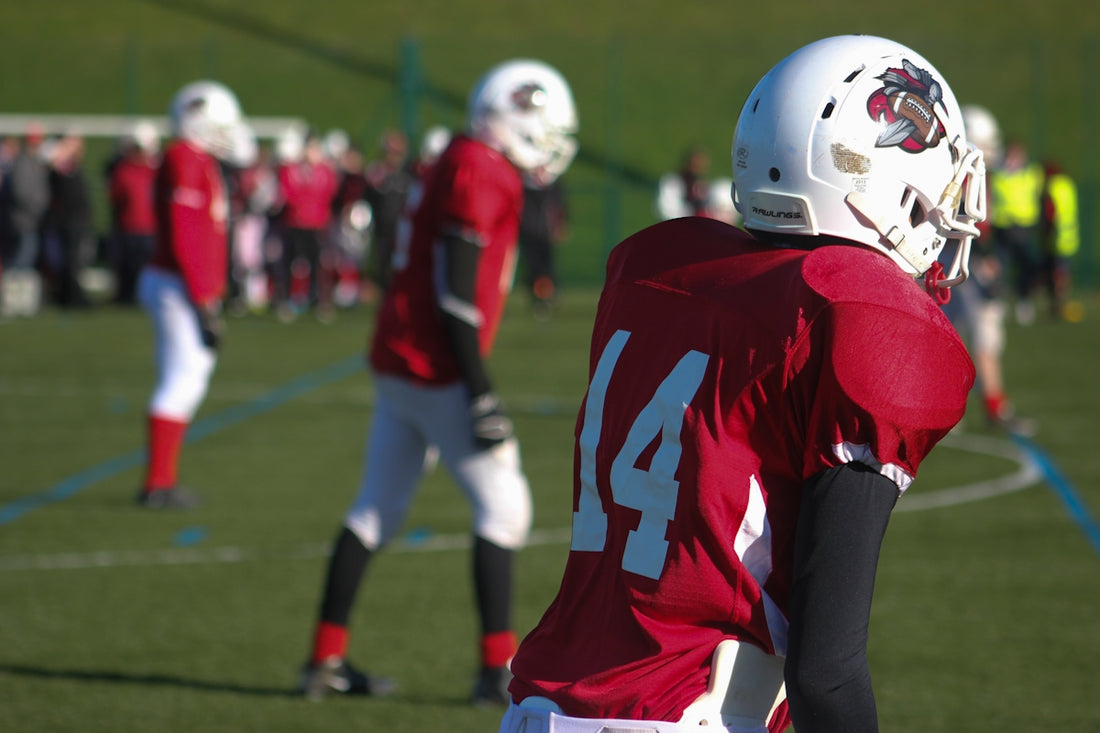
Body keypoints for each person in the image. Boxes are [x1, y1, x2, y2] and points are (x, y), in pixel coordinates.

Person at [499, 35, 985, 733]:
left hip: (537, 706)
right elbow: (827, 669)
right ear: (884, 181)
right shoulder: (857, 314)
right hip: (684, 713)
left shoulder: (661, 267)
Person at [298, 58, 579, 705]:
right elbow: (457, 295)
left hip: (402, 356)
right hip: (435, 364)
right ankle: (493, 670)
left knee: (376, 508)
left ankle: (324, 659)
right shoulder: (482, 168)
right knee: (506, 509)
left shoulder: (460, 153)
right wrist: (479, 389)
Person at [134, 80, 251, 509]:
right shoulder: (184, 158)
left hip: (181, 283)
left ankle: (161, 480)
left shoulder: (195, 159)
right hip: (176, 284)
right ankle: (158, 482)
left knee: (189, 376)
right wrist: (203, 301)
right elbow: (185, 235)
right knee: (182, 379)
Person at [944, 105, 1036, 435]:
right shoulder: (965, 179)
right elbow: (975, 226)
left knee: (962, 335)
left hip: (955, 263)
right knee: (981, 336)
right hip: (966, 264)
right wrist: (987, 259)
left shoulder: (964, 176)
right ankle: (989, 408)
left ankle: (958, 408)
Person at [274, 129, 339, 322]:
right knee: (290, 261)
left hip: (317, 223)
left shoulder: (325, 171)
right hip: (295, 221)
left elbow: (328, 192)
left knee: (318, 263)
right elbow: (288, 192)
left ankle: (319, 300)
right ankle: (286, 299)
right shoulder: (291, 170)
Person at [989, 139, 1045, 325]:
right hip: (1003, 225)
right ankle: (999, 302)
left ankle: (1024, 301)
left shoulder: (1031, 174)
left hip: (1023, 226)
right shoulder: (999, 174)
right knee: (1001, 266)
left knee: (1026, 266)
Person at [107, 121, 160, 306]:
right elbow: (115, 196)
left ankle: (142, 296)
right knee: (126, 265)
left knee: (146, 267)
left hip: (149, 227)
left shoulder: (154, 170)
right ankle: (125, 296)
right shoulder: (123, 170)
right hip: (128, 226)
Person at [0, 123, 50, 317]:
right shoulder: (23, 163)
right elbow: (22, 193)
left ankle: (18, 302)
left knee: (24, 263)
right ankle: (9, 302)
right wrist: (37, 206)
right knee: (18, 263)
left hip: (29, 221)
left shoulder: (33, 161)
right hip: (22, 221)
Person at [362, 129, 414, 292]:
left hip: (403, 226)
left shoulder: (408, 174)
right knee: (381, 257)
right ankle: (379, 284)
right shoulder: (377, 173)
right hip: (382, 223)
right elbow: (367, 198)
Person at [518, 175, 569, 318]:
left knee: (547, 266)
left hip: (544, 230)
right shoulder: (525, 180)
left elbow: (560, 204)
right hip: (529, 230)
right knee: (535, 267)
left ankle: (548, 296)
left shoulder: (553, 179)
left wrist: (560, 223)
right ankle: (540, 298)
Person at [1038, 160, 1080, 321]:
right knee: (1063, 272)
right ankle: (1061, 301)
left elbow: (1050, 212)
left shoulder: (1052, 187)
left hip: (1056, 237)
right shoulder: (1068, 185)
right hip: (1070, 236)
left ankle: (1057, 304)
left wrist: (1046, 230)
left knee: (1056, 274)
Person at [655, 145, 712, 220]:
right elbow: (666, 209)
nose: (698, 168)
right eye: (695, 164)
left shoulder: (702, 187)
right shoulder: (672, 182)